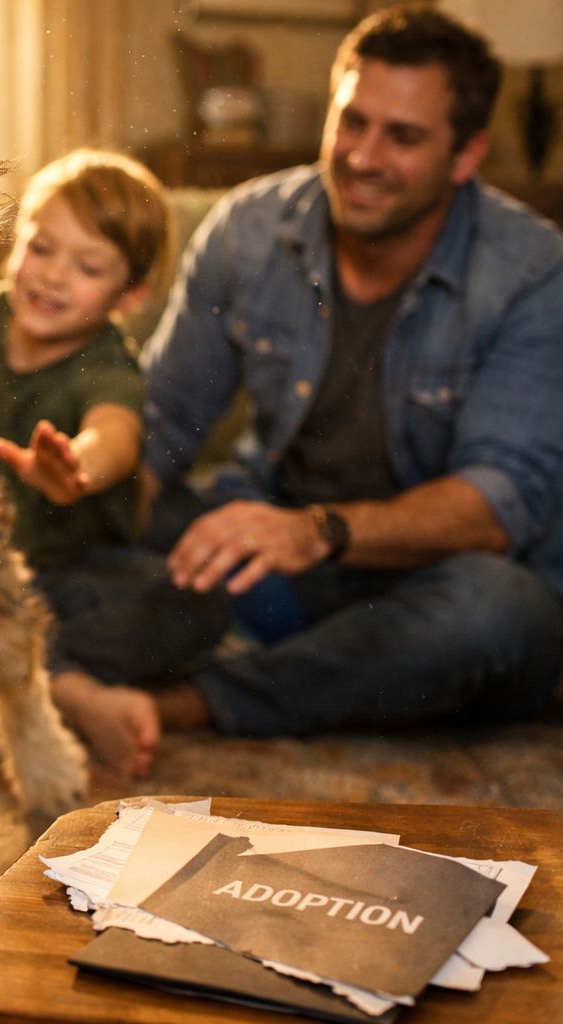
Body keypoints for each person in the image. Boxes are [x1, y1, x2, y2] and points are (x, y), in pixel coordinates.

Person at [134, 4, 563, 742]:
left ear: (466, 156)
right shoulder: (249, 229)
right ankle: (281, 659)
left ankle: (194, 702)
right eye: (352, 122)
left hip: (435, 581)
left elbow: (496, 506)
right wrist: (83, 494)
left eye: (403, 137)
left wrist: (320, 530)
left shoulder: (533, 273)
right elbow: (163, 428)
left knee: (498, 612)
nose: (363, 157)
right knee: (120, 532)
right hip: (277, 559)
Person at [0, 149, 230, 778]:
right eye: (41, 247)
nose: (52, 277)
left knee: (188, 608)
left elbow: (118, 432)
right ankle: (71, 696)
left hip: (66, 579)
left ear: (129, 295)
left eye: (87, 267)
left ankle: (23, 681)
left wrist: (78, 466)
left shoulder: (105, 362)